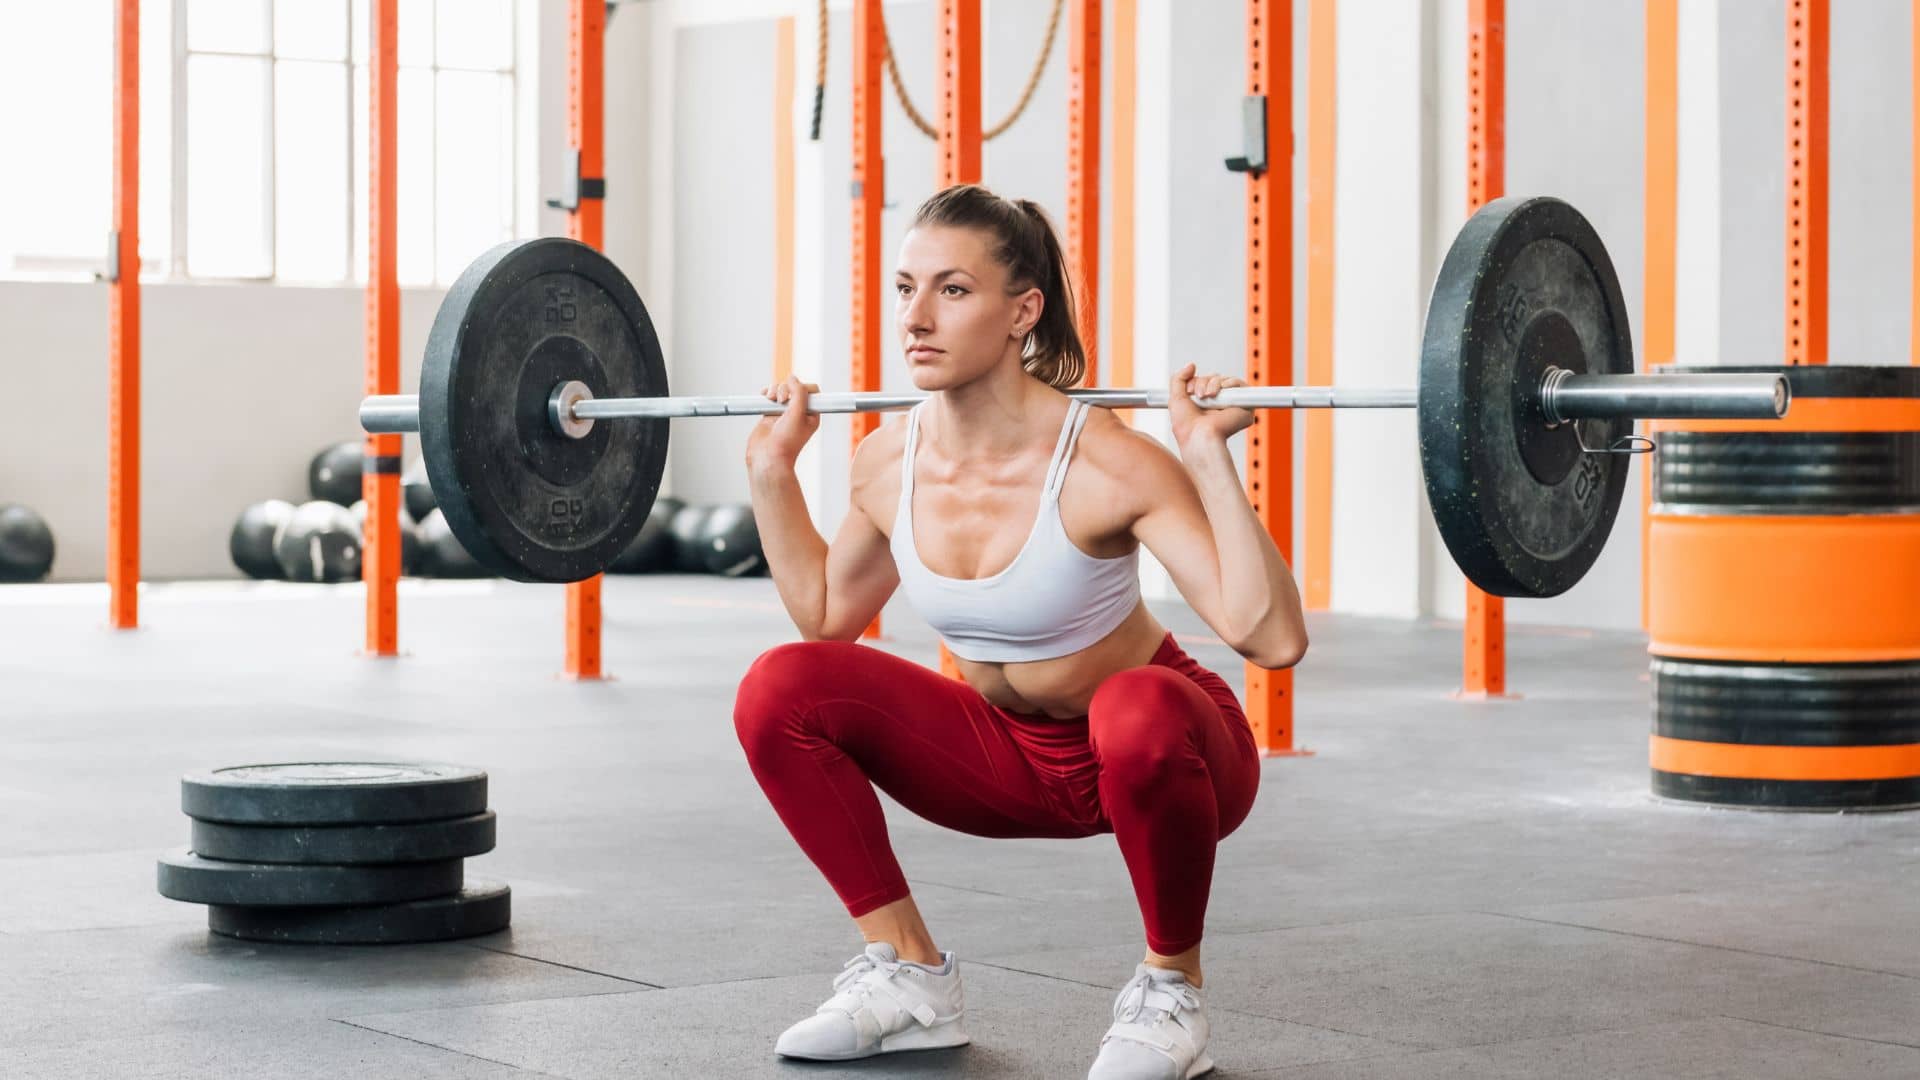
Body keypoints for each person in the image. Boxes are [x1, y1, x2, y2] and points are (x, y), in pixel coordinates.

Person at [734, 183, 1307, 1080]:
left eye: (952, 290)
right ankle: (910, 977)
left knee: (1138, 707)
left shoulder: (1110, 459)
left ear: (1022, 311)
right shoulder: (887, 457)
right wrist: (772, 472)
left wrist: (1206, 456)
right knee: (781, 685)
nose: (916, 317)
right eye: (905, 287)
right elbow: (826, 615)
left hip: (1166, 757)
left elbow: (1269, 638)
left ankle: (1172, 994)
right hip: (1003, 757)